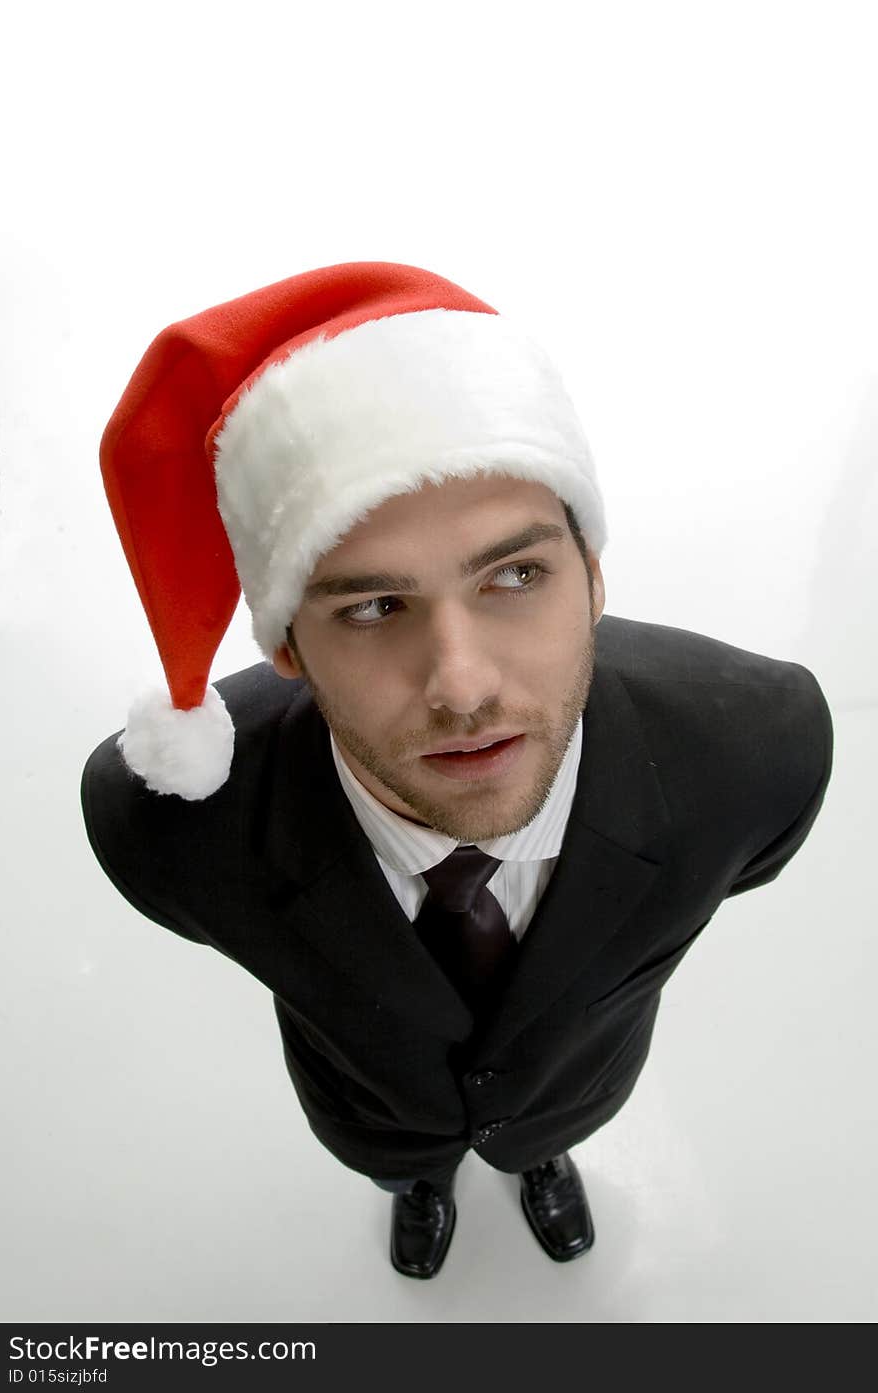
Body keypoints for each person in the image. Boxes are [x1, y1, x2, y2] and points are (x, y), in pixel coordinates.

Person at [80, 261, 833, 1279]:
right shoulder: (167, 820)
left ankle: (539, 1160)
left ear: (594, 574)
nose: (462, 686)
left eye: (515, 574)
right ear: (287, 646)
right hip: (372, 1115)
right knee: (406, 1164)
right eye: (373, 607)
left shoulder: (755, 750)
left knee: (538, 1129)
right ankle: (420, 1187)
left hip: (577, 1082)